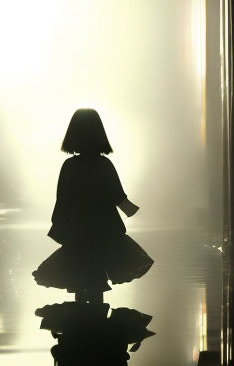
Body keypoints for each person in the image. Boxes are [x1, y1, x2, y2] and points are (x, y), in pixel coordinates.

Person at [33, 108, 153, 303]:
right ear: (100, 134)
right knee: (98, 280)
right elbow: (117, 196)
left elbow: (62, 199)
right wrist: (132, 210)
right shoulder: (104, 165)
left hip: (77, 233)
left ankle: (80, 324)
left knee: (78, 279)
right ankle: (99, 326)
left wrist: (59, 225)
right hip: (104, 231)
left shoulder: (69, 166)